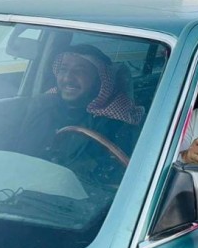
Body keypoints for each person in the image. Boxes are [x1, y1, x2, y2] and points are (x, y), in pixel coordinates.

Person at [12, 44, 145, 183]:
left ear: (100, 80)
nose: (67, 78)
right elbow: (18, 156)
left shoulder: (118, 124)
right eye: (63, 70)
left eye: (79, 71)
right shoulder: (42, 105)